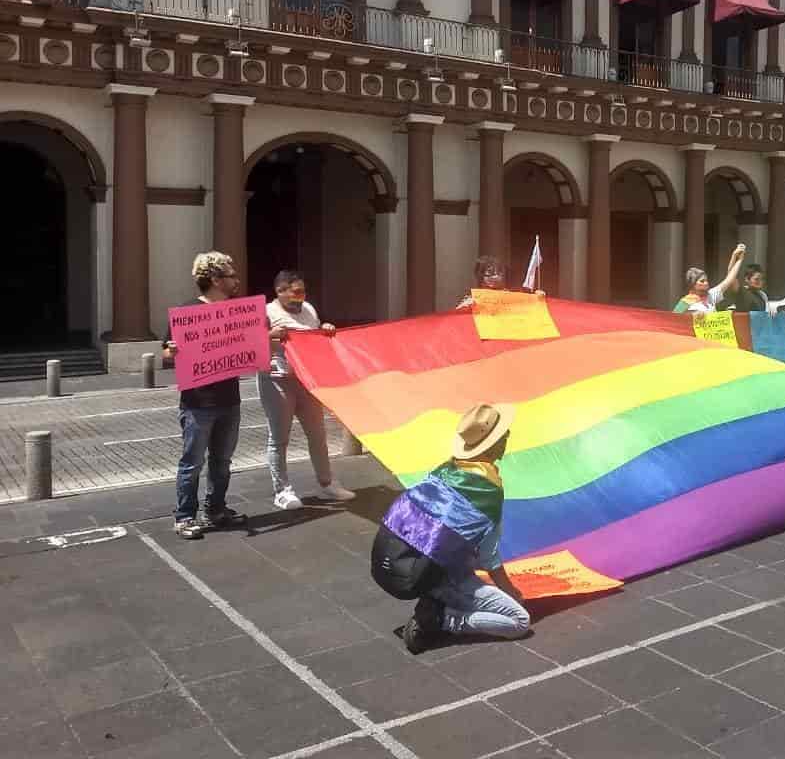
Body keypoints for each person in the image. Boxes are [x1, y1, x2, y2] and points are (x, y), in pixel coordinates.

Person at [374, 403, 531, 652]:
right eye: (504, 435)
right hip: (442, 575)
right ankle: (442, 619)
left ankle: (437, 601)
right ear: (495, 443)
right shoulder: (486, 492)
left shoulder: (444, 471)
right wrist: (511, 592)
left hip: (403, 563)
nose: (508, 438)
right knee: (519, 621)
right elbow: (488, 559)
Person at [162, 252, 247, 540]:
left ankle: (216, 509)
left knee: (222, 461)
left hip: (229, 399)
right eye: (231, 275)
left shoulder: (236, 313)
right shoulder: (188, 311)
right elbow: (165, 352)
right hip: (198, 403)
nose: (236, 279)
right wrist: (171, 352)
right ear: (215, 279)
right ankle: (185, 516)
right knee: (192, 462)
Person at [260, 270, 354, 510]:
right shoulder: (266, 312)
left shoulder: (309, 309)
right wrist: (269, 335)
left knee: (317, 434)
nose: (301, 297)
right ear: (280, 292)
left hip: (306, 380)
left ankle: (327, 484)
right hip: (278, 380)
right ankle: (282, 491)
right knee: (279, 438)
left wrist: (326, 327)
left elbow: (315, 336)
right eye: (295, 292)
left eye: (303, 291)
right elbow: (247, 343)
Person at [673, 243, 747, 314]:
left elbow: (729, 278)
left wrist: (737, 258)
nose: (706, 283)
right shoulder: (685, 302)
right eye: (702, 281)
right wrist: (692, 314)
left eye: (706, 280)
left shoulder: (711, 295)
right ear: (693, 285)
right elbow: (673, 319)